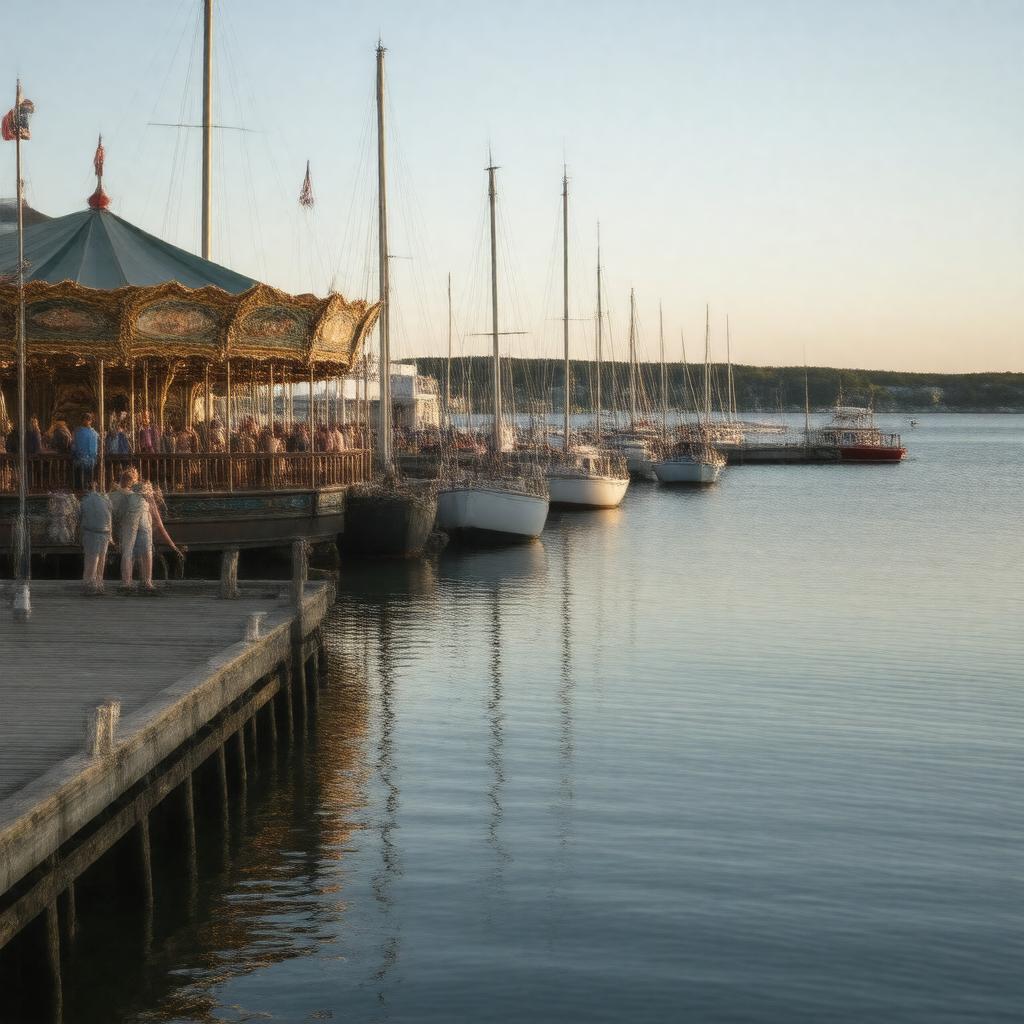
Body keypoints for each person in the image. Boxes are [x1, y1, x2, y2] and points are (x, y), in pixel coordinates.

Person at [119, 479, 181, 594]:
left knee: (128, 552)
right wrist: (172, 545)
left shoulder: (129, 497)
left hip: (130, 519)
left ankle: (126, 583)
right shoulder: (149, 498)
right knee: (147, 551)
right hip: (144, 521)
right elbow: (159, 524)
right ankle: (147, 582)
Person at [79, 482, 113, 595]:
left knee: (91, 558)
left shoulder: (84, 501)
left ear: (87, 490)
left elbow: (80, 516)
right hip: (105, 532)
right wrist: (111, 535)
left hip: (90, 532)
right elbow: (110, 517)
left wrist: (79, 534)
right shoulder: (106, 499)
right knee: (101, 558)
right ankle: (99, 583)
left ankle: (89, 584)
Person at [71, 412, 99, 489]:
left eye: (87, 419)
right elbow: (94, 449)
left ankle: (83, 488)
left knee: (83, 480)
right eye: (85, 419)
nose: (86, 421)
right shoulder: (92, 433)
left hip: (82, 460)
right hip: (87, 460)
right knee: (86, 479)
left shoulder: (78, 432)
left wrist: (75, 454)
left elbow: (73, 445)